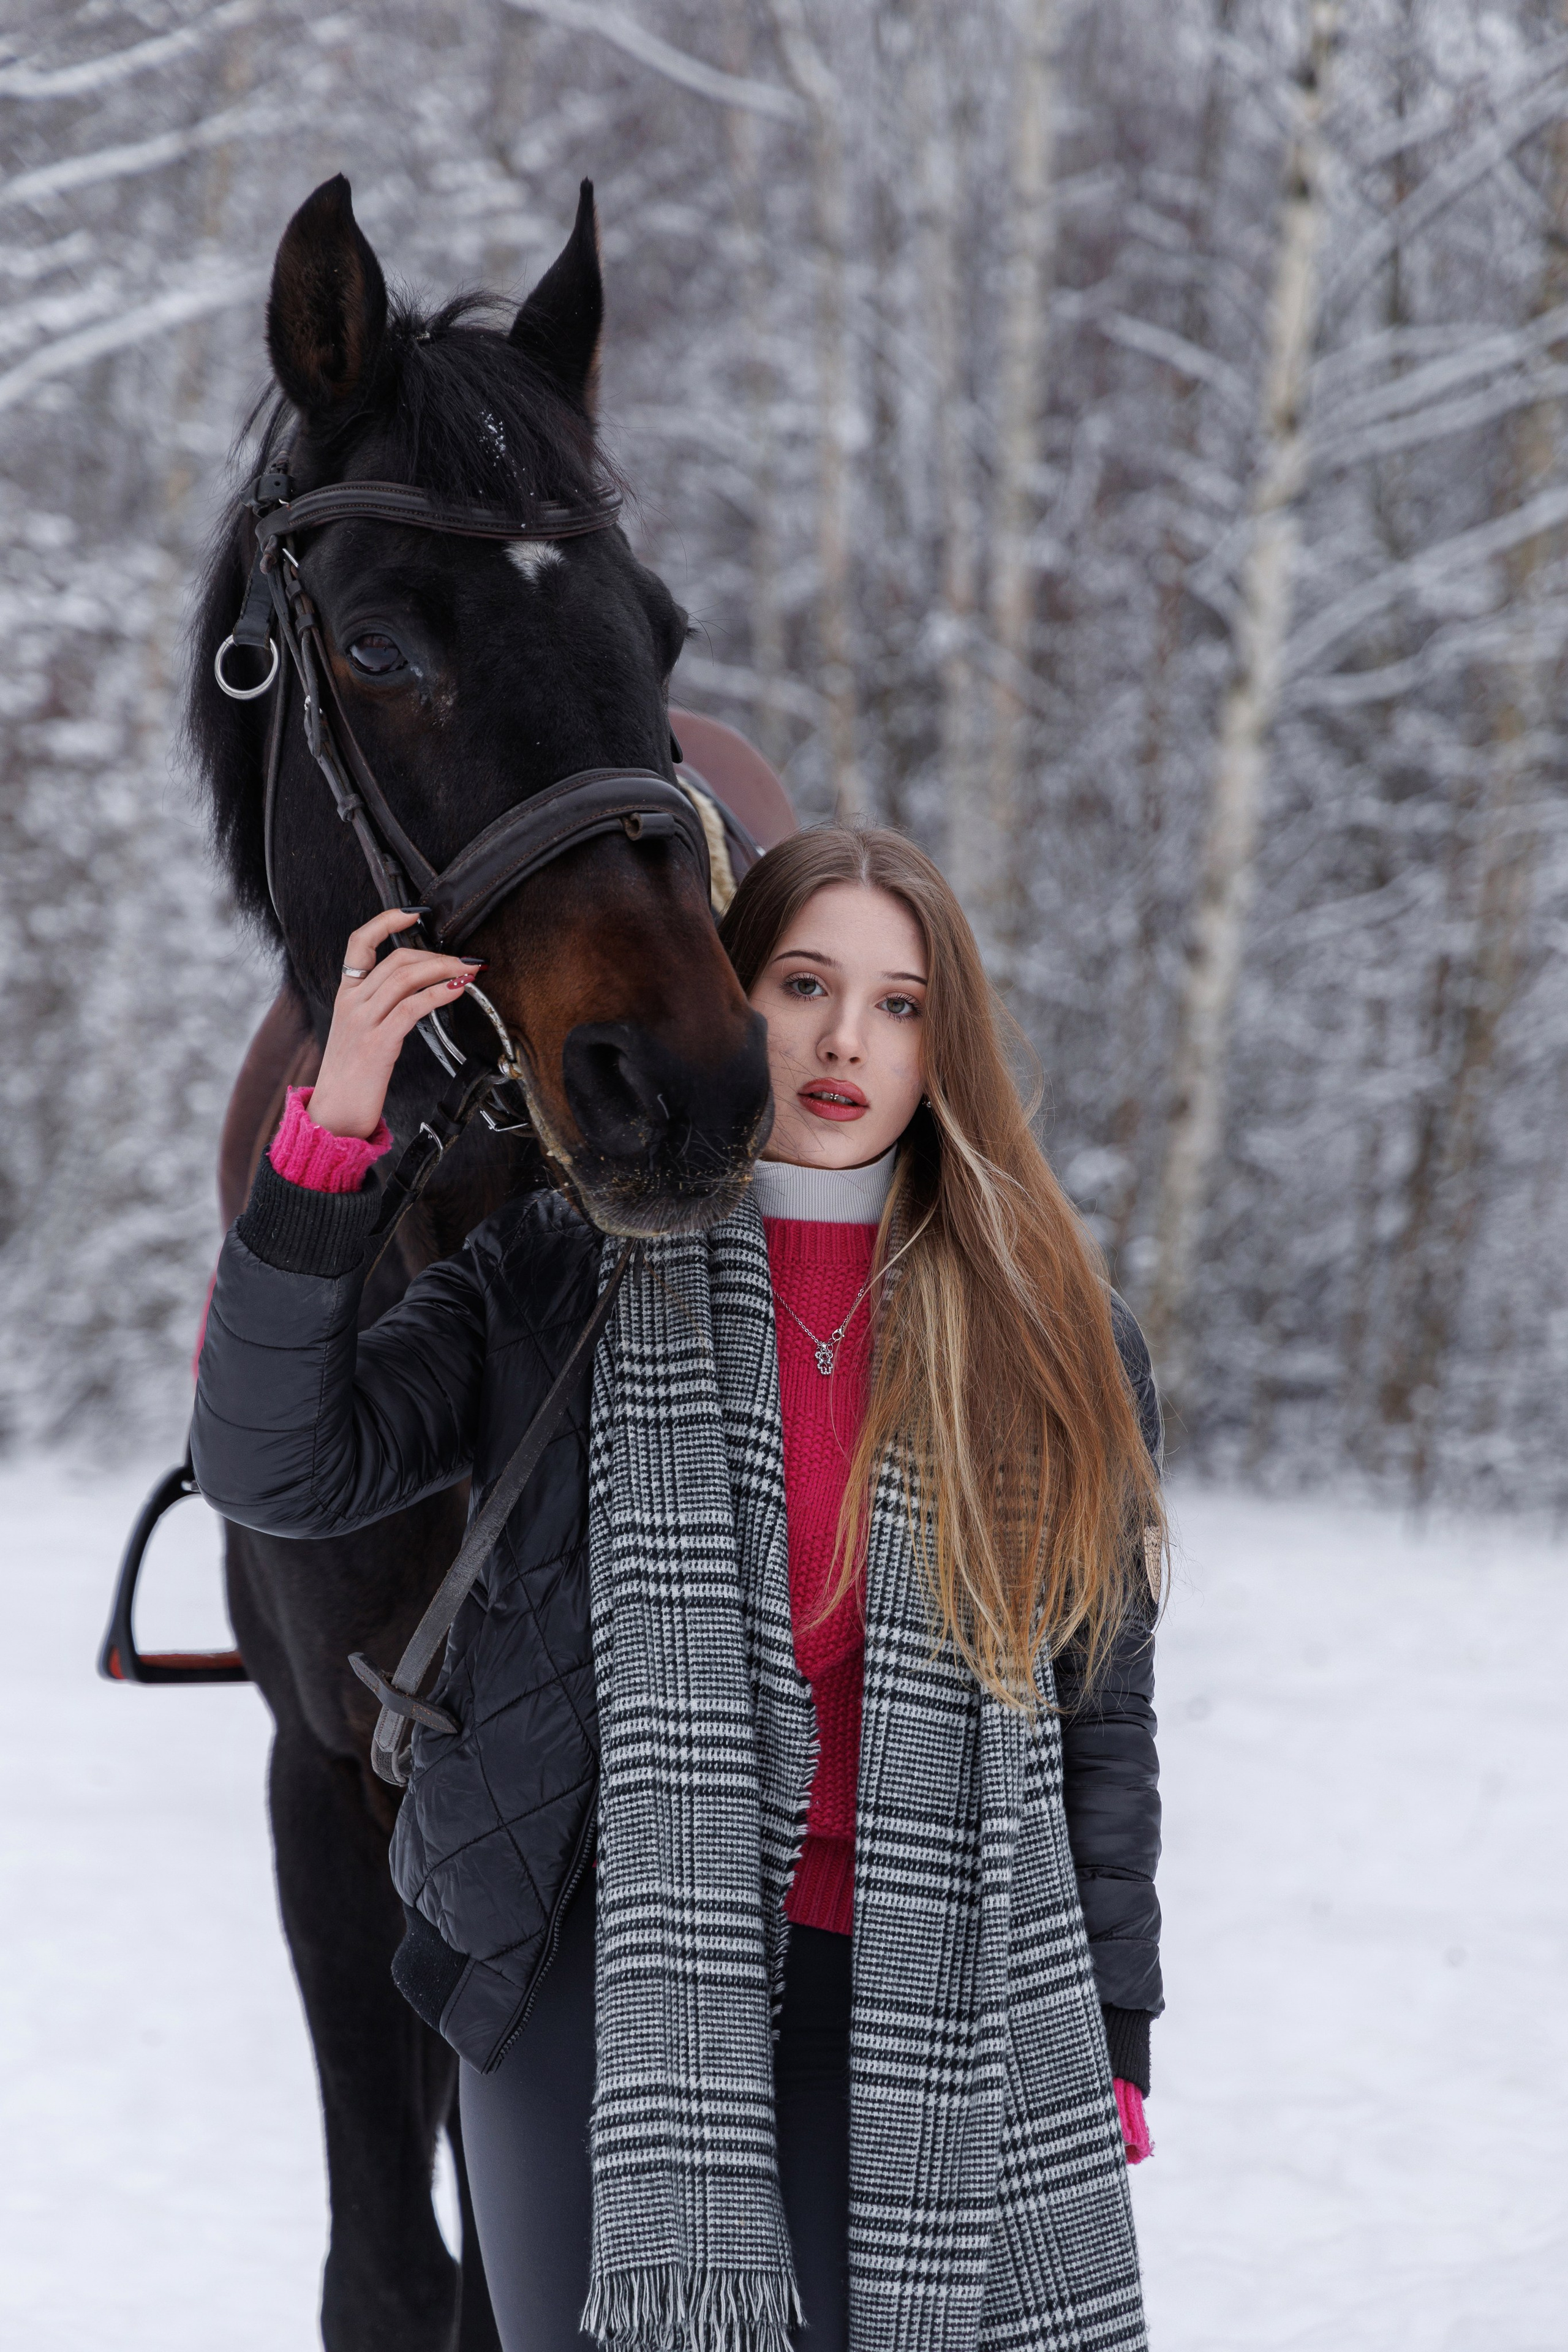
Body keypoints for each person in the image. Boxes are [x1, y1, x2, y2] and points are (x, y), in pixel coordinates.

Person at [192, 825, 1166, 2352]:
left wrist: (1112, 2018)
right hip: (589, 1971)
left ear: (943, 1044)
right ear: (728, 1000)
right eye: (803, 984)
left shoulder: (1053, 1337)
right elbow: (277, 1469)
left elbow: (1096, 1712)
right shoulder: (555, 1272)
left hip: (922, 1984)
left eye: (900, 1004)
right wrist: (331, 1144)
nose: (847, 1041)